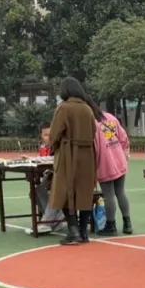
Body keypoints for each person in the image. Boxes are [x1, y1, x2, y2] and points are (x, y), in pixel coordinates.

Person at [49, 78, 99, 246]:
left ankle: (73, 230)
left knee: (64, 191)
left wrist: (54, 146)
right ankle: (84, 232)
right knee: (85, 192)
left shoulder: (63, 108)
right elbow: (93, 132)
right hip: (87, 155)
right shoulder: (87, 108)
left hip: (68, 154)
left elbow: (55, 133)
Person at [94, 107, 132, 236]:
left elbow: (95, 147)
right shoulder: (110, 117)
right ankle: (127, 223)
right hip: (119, 158)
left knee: (108, 195)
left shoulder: (92, 122)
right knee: (120, 192)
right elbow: (123, 137)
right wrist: (123, 152)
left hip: (105, 162)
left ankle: (111, 225)